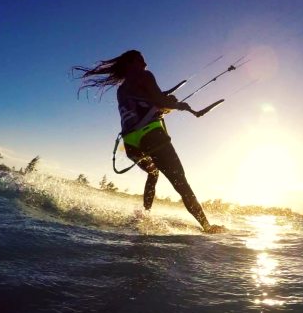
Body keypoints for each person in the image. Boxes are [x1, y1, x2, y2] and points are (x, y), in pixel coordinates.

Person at [75, 49, 225, 233]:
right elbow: (159, 101)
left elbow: (145, 106)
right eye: (141, 60)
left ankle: (144, 216)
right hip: (151, 137)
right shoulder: (145, 75)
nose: (145, 64)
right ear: (130, 63)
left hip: (130, 143)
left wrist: (163, 105)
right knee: (181, 183)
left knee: (153, 174)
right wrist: (178, 105)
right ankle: (207, 226)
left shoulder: (121, 90)